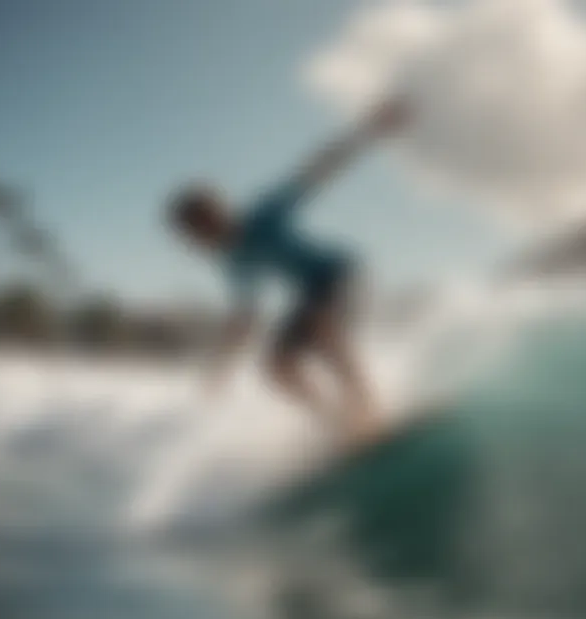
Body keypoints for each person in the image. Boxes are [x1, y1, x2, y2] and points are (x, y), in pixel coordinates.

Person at [167, 99, 407, 441]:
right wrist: (221, 368)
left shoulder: (265, 213)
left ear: (217, 212)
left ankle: (370, 409)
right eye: (194, 237)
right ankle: (338, 423)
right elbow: (244, 317)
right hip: (312, 294)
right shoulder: (234, 260)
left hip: (343, 276)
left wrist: (371, 128)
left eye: (200, 229)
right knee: (275, 367)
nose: (200, 242)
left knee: (319, 323)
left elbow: (318, 169)